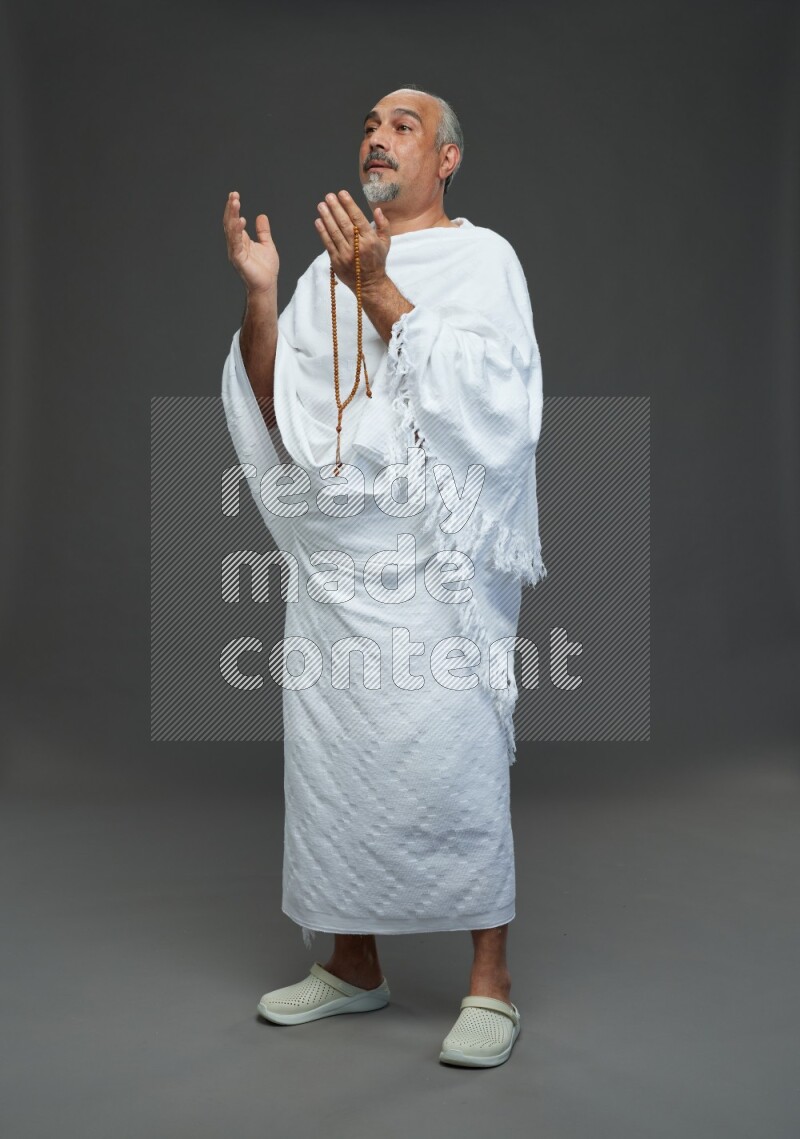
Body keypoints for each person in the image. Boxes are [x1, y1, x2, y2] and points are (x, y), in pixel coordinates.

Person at [220, 85, 546, 1068]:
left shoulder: (483, 261)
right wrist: (266, 295)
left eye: (401, 125)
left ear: (445, 158)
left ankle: (489, 979)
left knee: (452, 760)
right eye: (368, 122)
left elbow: (502, 405)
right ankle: (353, 963)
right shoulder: (321, 269)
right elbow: (286, 424)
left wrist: (378, 288)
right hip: (339, 569)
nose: (375, 135)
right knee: (335, 764)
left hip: (434, 572)